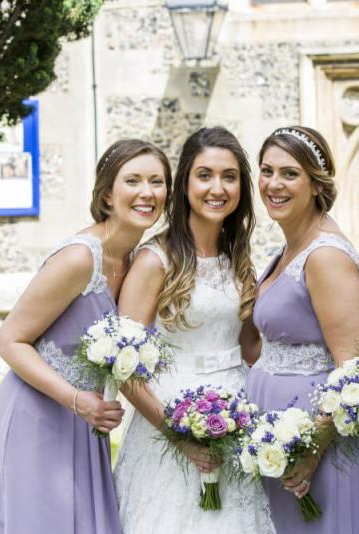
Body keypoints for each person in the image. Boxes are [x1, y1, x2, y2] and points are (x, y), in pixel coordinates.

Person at [0, 139, 172, 534]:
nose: (147, 192)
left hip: (87, 420)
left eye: (157, 182)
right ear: (107, 195)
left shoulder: (139, 261)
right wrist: (76, 400)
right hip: (35, 416)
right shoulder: (80, 258)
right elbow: (10, 340)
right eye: (133, 181)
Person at [113, 127, 274, 534]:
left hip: (236, 415)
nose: (217, 188)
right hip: (168, 419)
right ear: (185, 183)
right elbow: (124, 368)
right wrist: (178, 435)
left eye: (229, 177)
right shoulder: (154, 260)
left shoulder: (238, 257)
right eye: (205, 175)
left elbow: (251, 347)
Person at [245, 126, 359, 533]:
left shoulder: (324, 256)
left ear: (316, 184)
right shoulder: (290, 248)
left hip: (320, 442)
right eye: (267, 171)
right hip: (279, 435)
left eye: (290, 174)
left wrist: (311, 449)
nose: (274, 184)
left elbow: (352, 367)